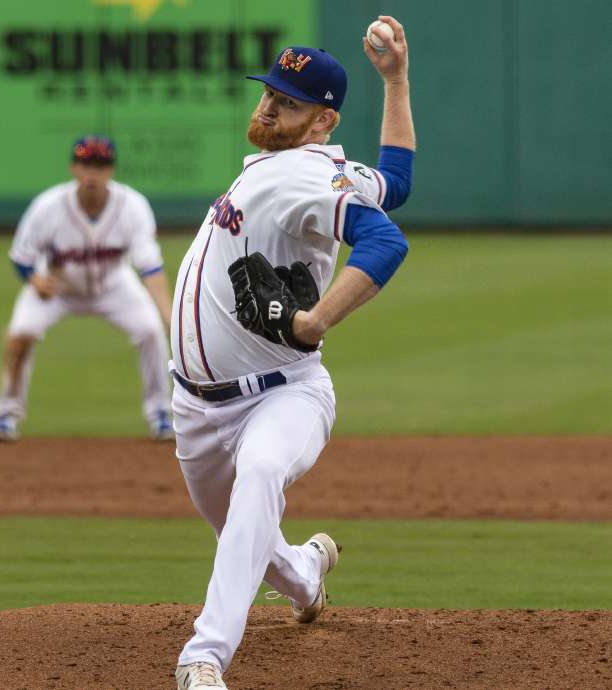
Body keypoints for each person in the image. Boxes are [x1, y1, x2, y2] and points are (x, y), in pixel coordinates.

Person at [169, 17, 415, 690]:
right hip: (195, 409)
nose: (269, 105)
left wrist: (315, 322)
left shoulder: (301, 177)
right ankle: (307, 574)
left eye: (289, 101)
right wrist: (395, 81)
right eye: (270, 92)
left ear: (322, 122)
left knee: (259, 479)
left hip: (283, 393)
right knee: (250, 539)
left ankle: (204, 658)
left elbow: (387, 241)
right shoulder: (311, 170)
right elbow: (396, 181)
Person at [0, 135, 174, 442]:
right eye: (86, 164)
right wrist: (34, 279)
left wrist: (168, 314)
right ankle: (6, 414)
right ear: (73, 168)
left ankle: (160, 414)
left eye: (100, 165)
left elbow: (150, 267)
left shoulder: (133, 206)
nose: (92, 173)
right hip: (57, 288)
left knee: (151, 331)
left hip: (115, 285)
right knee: (20, 334)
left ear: (111, 170)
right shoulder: (48, 206)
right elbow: (21, 257)